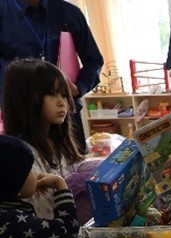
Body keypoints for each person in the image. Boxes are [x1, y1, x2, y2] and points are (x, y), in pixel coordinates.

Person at [0, 0, 103, 155]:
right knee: (27, 173)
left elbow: (94, 61)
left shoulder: (69, 13)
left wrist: (78, 88)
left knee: (75, 170)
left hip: (65, 115)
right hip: (21, 116)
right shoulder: (3, 12)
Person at [0, 135, 80, 238]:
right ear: (14, 183)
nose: (35, 173)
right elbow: (68, 228)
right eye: (29, 169)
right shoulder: (15, 222)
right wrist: (60, 185)